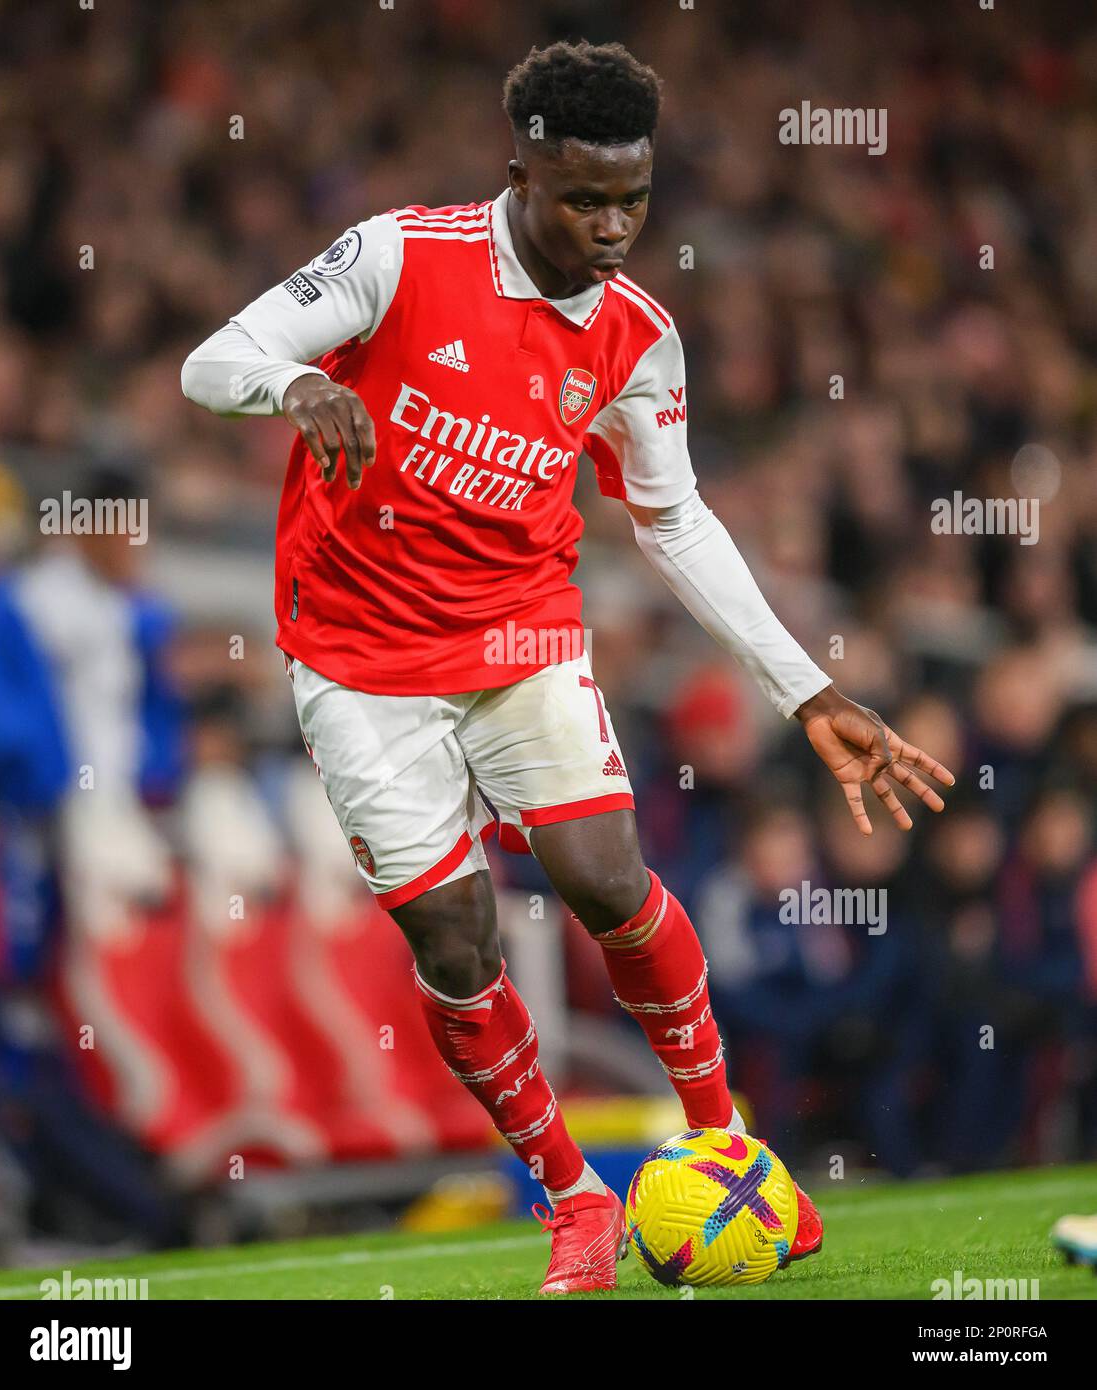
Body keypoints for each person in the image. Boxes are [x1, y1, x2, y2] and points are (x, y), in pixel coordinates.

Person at [181, 39, 954, 1293]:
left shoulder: (639, 340)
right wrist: (288, 387)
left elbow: (675, 519)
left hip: (519, 632)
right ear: (520, 173)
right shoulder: (398, 256)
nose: (610, 226)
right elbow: (208, 361)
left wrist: (804, 686)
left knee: (604, 878)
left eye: (632, 200)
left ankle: (728, 1146)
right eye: (582, 197)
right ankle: (571, 1201)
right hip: (359, 654)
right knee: (452, 937)